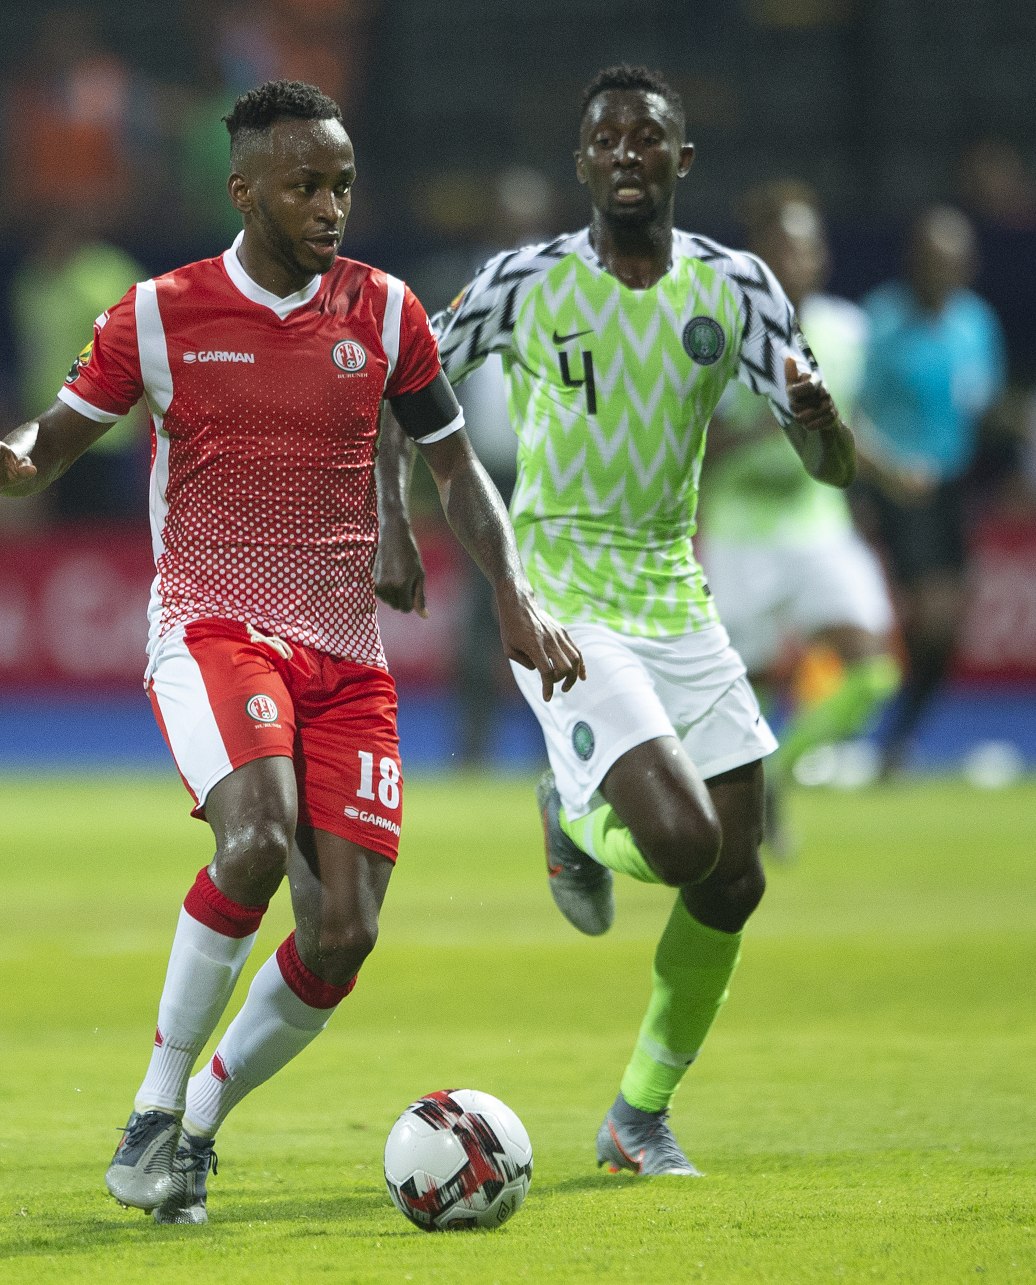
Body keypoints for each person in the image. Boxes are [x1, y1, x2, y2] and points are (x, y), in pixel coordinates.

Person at [0, 80, 583, 1225]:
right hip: (211, 626)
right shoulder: (160, 314)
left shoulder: (386, 311)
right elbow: (58, 436)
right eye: (305, 185)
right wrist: (11, 455)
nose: (330, 205)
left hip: (348, 651)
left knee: (343, 930)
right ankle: (152, 1107)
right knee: (252, 838)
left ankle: (195, 1126)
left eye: (342, 183)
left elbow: (454, 466)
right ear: (243, 189)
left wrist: (509, 597)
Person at [377, 64, 855, 1177]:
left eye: (651, 139)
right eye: (609, 140)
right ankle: (571, 813)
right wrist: (394, 521)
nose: (629, 154)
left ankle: (636, 1118)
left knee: (737, 876)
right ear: (583, 162)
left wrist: (824, 431)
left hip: (674, 597)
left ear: (682, 163)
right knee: (686, 845)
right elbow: (409, 380)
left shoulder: (738, 289)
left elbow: (825, 461)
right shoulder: (523, 281)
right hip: (561, 594)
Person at [696, 182, 900, 855]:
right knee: (746, 694)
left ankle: (777, 776)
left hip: (818, 522)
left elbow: (853, 425)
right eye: (782, 244)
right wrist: (768, 429)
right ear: (754, 256)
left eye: (807, 245)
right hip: (739, 530)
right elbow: (688, 445)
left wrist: (889, 471)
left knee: (873, 670)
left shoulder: (848, 331)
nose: (797, 257)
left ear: (822, 257)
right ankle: (750, 803)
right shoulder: (716, 336)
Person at [857, 207, 1006, 772]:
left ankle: (895, 740)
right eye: (932, 259)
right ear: (913, 261)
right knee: (931, 613)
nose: (943, 270)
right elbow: (851, 405)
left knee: (950, 623)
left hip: (949, 489)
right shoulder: (881, 320)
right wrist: (874, 477)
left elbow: (980, 404)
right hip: (892, 485)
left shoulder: (976, 324)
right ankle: (879, 731)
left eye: (954, 260)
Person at [10, 214, 147, 519]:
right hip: (48, 429)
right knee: (62, 526)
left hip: (104, 428)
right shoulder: (29, 284)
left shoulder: (110, 274)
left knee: (108, 529)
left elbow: (142, 345)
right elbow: (32, 357)